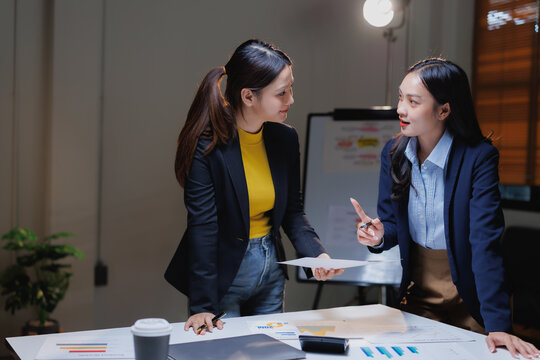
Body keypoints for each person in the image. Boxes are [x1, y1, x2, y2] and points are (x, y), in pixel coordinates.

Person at [350, 58, 540, 359]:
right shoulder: (393, 152)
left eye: (413, 101)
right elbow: (393, 224)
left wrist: (499, 324)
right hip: (420, 292)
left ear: (444, 110)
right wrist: (379, 235)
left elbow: (484, 242)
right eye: (401, 98)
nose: (401, 109)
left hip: (472, 295)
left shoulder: (479, 158)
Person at [165, 39, 343, 335]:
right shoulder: (208, 148)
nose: (291, 99)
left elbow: (293, 212)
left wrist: (317, 255)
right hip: (223, 277)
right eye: (281, 93)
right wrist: (202, 305)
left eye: (290, 89)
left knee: (270, 352)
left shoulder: (285, 139)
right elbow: (203, 227)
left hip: (270, 271)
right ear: (248, 96)